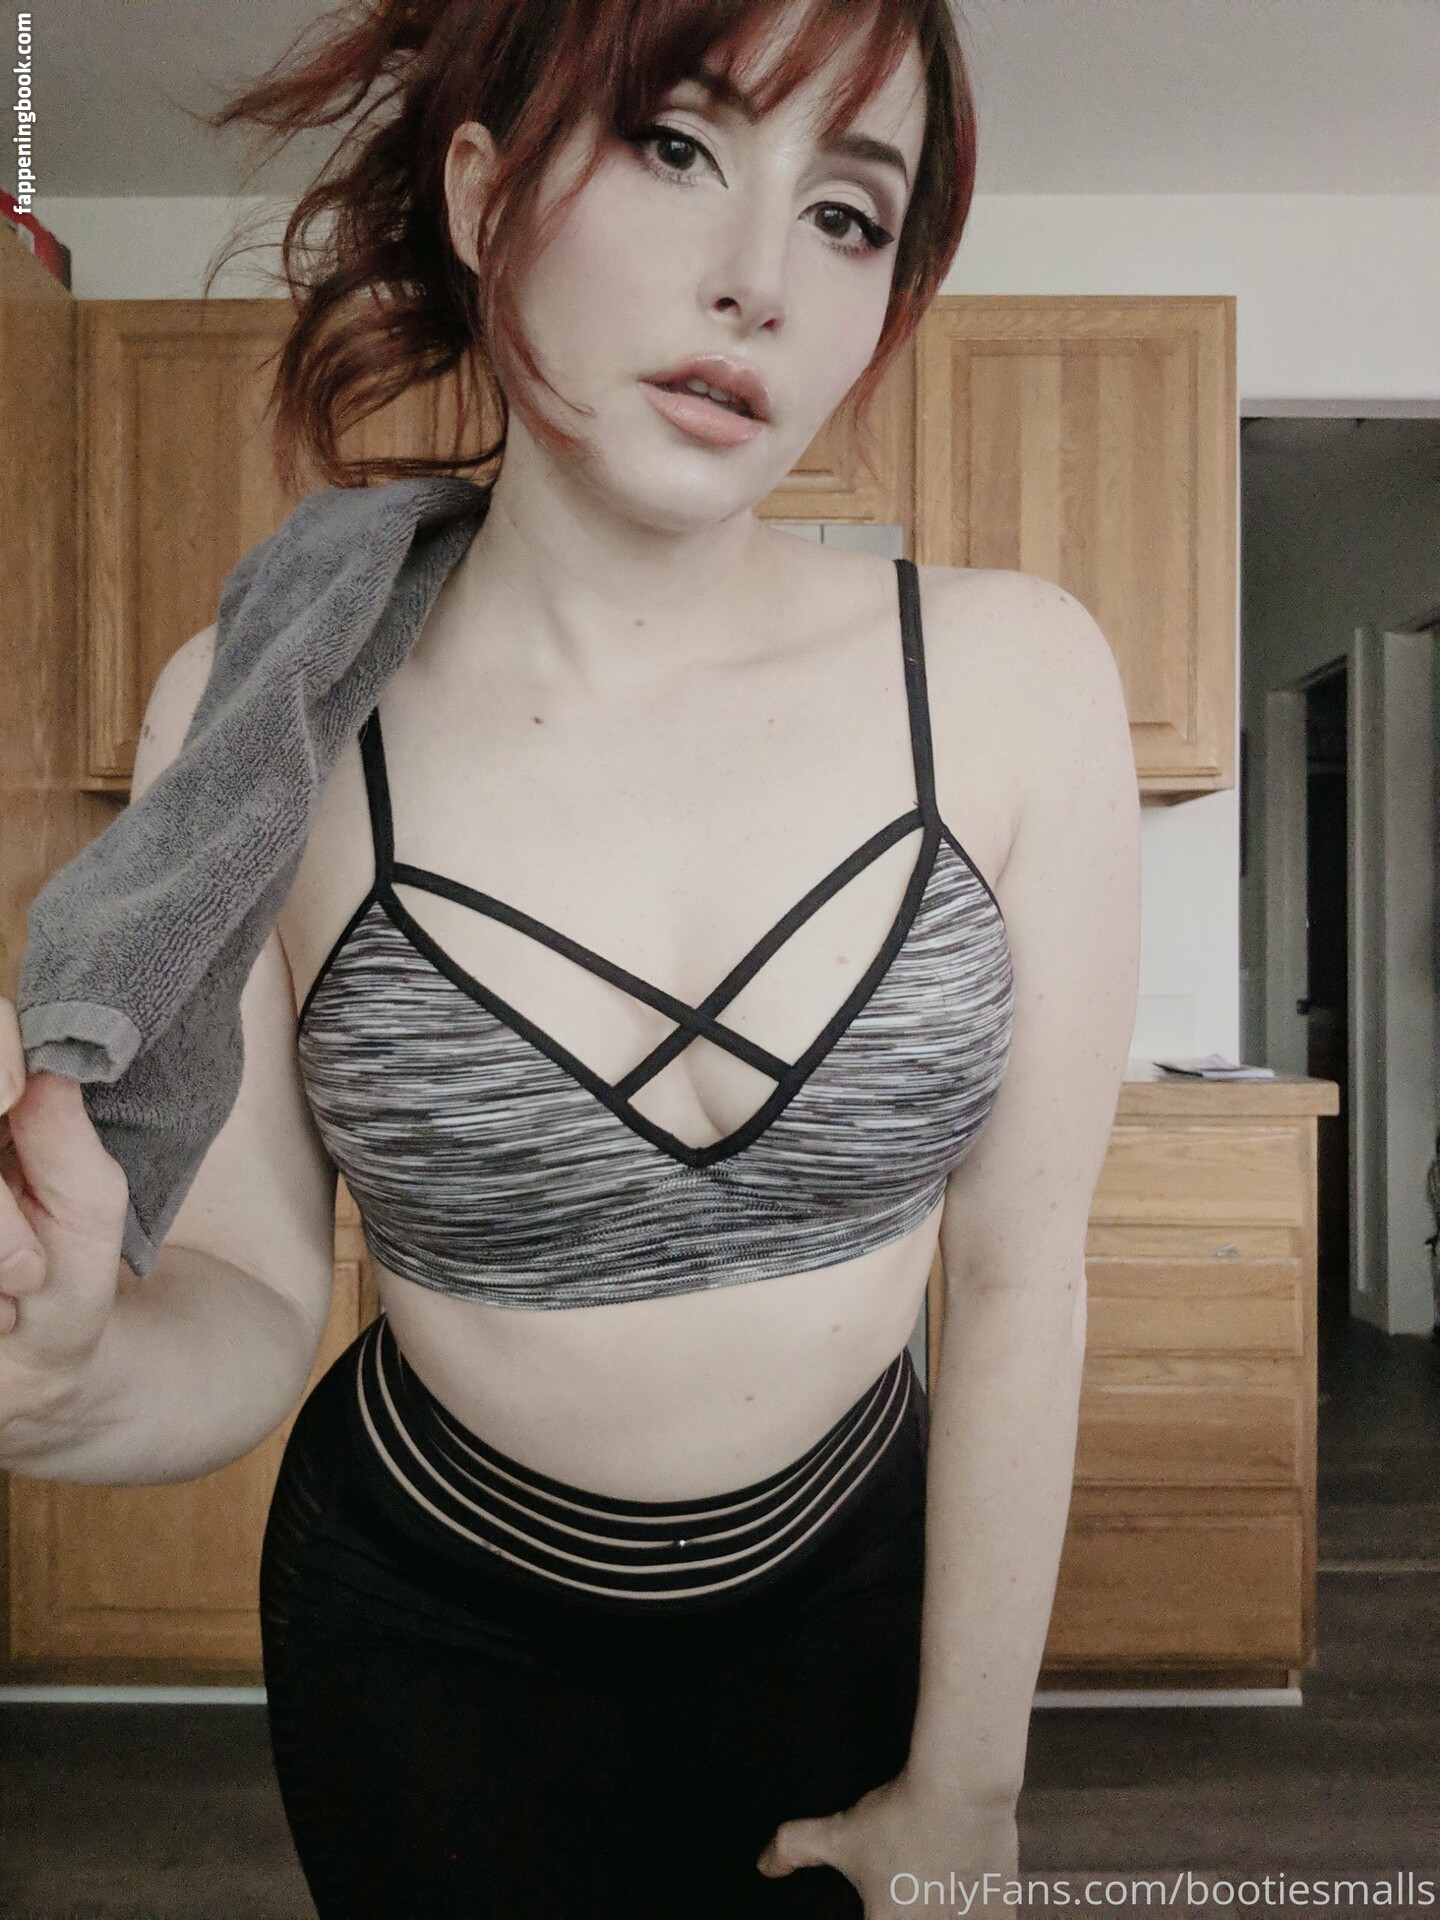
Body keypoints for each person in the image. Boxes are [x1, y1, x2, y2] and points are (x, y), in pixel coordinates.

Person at [0, 0, 1141, 1914]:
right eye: (678, 146)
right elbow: (254, 1298)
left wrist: (974, 1787)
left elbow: (1024, 1279)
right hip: (422, 1634)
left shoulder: (1019, 681)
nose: (761, 279)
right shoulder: (266, 717)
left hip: (858, 1600)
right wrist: (67, 1373)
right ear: (483, 193)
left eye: (848, 214)